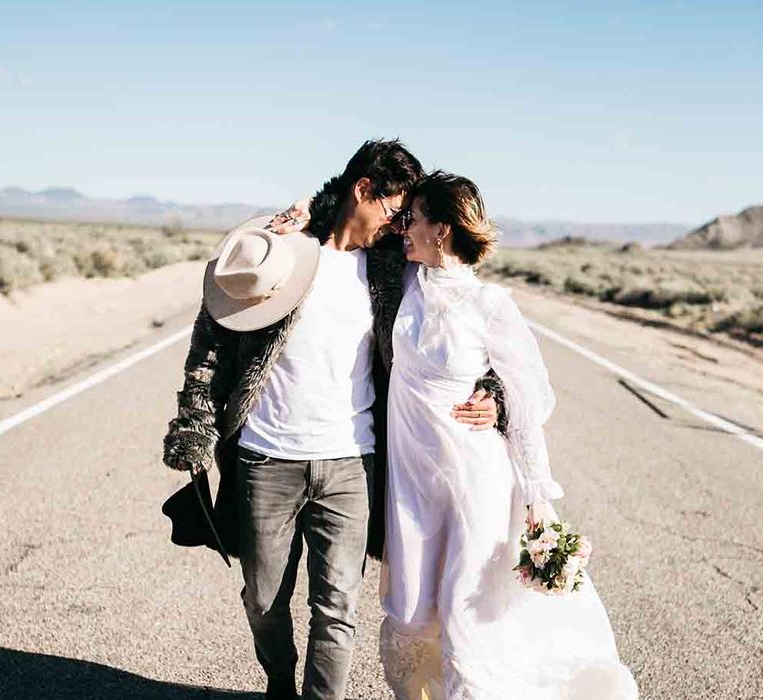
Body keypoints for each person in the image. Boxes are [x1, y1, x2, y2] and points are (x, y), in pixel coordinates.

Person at [162, 140, 505, 700]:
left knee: (338, 608)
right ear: (363, 190)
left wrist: (493, 394)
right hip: (265, 459)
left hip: (351, 463)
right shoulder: (280, 255)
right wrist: (194, 420)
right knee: (262, 600)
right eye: (393, 211)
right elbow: (212, 343)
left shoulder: (393, 273)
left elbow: (462, 332)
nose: (398, 227)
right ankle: (279, 683)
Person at [378, 172, 639, 699]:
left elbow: (531, 399)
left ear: (443, 229)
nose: (403, 228)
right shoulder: (401, 282)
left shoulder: (489, 305)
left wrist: (537, 493)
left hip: (475, 482)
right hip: (411, 484)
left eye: (414, 219)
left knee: (465, 619)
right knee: (409, 611)